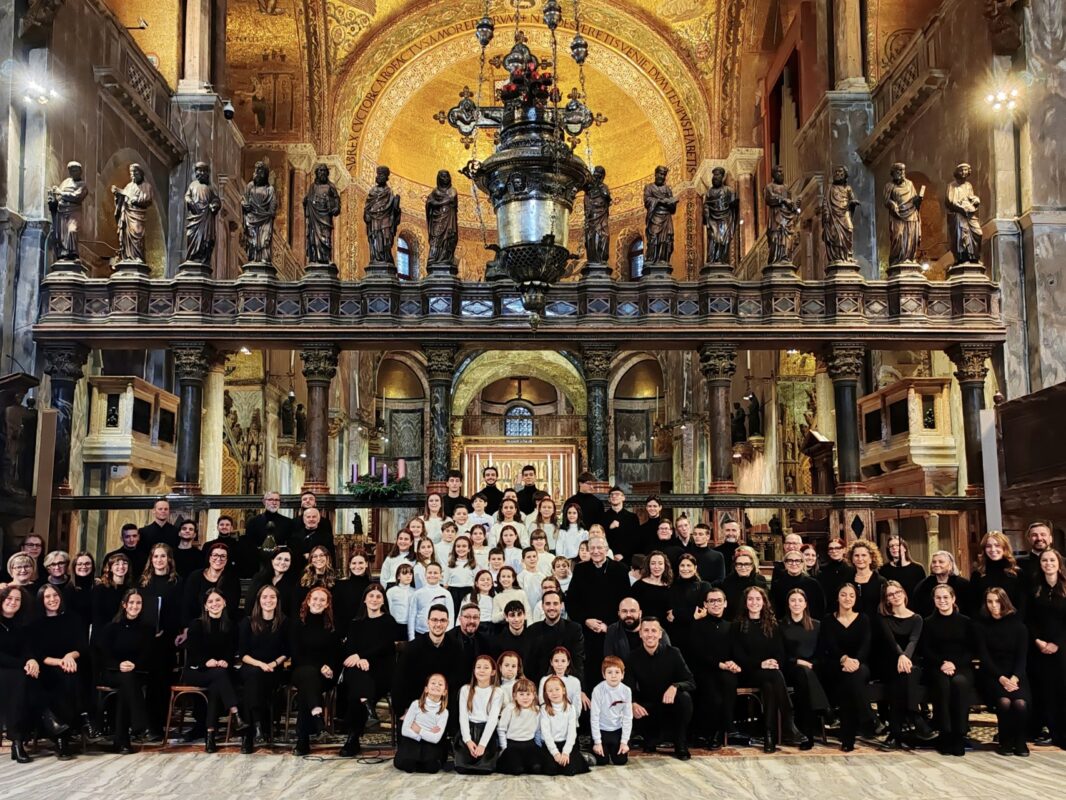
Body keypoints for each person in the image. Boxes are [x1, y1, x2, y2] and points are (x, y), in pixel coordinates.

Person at [181, 588, 248, 752]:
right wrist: (206, 662)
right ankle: (235, 712)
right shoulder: (197, 625)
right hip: (197, 670)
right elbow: (193, 651)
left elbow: (231, 651)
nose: (214, 604)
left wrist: (225, 661)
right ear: (205, 606)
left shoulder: (231, 626)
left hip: (219, 671)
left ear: (224, 603)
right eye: (210, 601)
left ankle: (210, 735)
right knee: (220, 676)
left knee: (216, 685)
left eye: (218, 600)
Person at [819, 583, 878, 751]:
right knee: (849, 680)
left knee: (852, 679)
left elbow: (866, 645)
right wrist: (844, 659)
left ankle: (848, 738)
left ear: (856, 598)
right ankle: (868, 718)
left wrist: (856, 661)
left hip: (860, 665)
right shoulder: (828, 620)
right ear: (837, 597)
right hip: (835, 664)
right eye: (843, 595)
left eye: (851, 595)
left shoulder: (863, 619)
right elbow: (830, 645)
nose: (847, 598)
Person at [31, 584, 89, 759]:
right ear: (41, 601)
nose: (52, 599)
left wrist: (69, 656)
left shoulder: (73, 618)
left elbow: (82, 646)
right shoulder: (36, 624)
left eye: (55, 595)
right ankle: (69, 731)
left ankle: (62, 736)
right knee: (61, 679)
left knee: (70, 676)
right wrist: (60, 661)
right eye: (47, 597)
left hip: (71, 664)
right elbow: (38, 654)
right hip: (47, 668)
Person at [624, 617, 695, 759]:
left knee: (684, 698)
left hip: (669, 704)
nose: (650, 634)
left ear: (660, 634)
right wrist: (632, 703)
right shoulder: (633, 657)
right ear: (640, 634)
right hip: (648, 707)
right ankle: (651, 738)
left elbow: (691, 682)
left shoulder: (673, 653)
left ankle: (680, 743)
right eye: (646, 630)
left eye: (654, 630)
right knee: (629, 706)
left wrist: (675, 686)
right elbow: (627, 687)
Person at [339, 583, 397, 757]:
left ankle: (353, 738)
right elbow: (350, 648)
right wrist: (358, 659)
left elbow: (385, 647)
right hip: (358, 670)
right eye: (371, 596)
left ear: (383, 601)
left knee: (356, 691)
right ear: (364, 599)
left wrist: (363, 657)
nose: (374, 599)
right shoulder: (355, 623)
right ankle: (366, 703)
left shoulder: (388, 621)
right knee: (356, 679)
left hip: (381, 669)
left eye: (378, 597)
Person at [567, 535, 631, 688]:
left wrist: (609, 626)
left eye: (599, 548)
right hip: (587, 631)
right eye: (592, 548)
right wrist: (586, 620)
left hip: (613, 629)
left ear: (607, 549)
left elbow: (625, 602)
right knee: (590, 673)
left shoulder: (620, 569)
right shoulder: (580, 569)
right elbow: (571, 602)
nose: (596, 551)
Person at [876, 580, 933, 747]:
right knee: (900, 676)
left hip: (910, 662)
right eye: (890, 594)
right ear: (886, 599)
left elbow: (913, 641)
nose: (895, 596)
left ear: (903, 593)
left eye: (898, 592)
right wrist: (900, 656)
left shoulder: (917, 618)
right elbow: (891, 641)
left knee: (905, 676)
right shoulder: (883, 617)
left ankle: (895, 734)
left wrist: (905, 657)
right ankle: (915, 717)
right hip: (889, 661)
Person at [975, 587, 1031, 756]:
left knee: (1020, 703)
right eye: (990, 601)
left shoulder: (1019, 627)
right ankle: (1005, 741)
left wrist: (1014, 678)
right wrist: (1001, 678)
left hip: (1016, 674)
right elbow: (984, 658)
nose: (994, 605)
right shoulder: (980, 627)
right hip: (992, 674)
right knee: (1004, 702)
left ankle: (1020, 741)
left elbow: (1022, 658)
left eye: (997, 601)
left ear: (1005, 602)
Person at [97, 588, 153, 753]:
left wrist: (134, 665)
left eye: (138, 603)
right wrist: (118, 665)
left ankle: (121, 741)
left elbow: (148, 654)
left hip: (136, 672)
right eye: (132, 602)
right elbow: (103, 655)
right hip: (113, 672)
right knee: (128, 680)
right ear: (124, 605)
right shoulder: (111, 628)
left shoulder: (147, 629)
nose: (135, 606)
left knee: (126, 687)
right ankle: (139, 724)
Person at [922, 583, 975, 756]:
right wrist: (942, 664)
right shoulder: (928, 622)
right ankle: (945, 734)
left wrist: (954, 664)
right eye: (938, 597)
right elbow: (926, 650)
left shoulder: (966, 622)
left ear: (953, 599)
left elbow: (971, 649)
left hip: (961, 666)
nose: (942, 600)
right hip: (937, 666)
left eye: (946, 597)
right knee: (943, 684)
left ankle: (959, 734)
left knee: (959, 683)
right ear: (934, 600)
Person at [237, 584, 289, 752]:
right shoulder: (247, 622)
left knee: (252, 686)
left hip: (273, 669)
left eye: (272, 597)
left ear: (277, 600)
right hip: (251, 666)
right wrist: (260, 664)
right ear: (259, 600)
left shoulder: (284, 622)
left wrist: (272, 664)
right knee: (254, 677)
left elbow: (287, 652)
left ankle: (249, 734)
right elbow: (243, 654)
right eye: (265, 597)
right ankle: (258, 727)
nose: (268, 600)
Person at [289, 586, 340, 755]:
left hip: (324, 675)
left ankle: (304, 737)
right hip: (300, 670)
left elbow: (336, 653)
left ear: (327, 604)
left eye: (322, 600)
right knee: (308, 675)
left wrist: (330, 668)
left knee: (308, 687)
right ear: (308, 601)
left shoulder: (331, 625)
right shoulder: (297, 623)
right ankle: (317, 720)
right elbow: (297, 655)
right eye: (315, 599)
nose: (318, 602)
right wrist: (320, 667)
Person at [138, 544, 182, 736]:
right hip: (146, 638)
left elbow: (180, 610)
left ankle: (159, 724)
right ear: (151, 559)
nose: (159, 560)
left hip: (167, 638)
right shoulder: (142, 582)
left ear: (169, 559)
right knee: (148, 681)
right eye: (155, 556)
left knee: (162, 681)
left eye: (163, 556)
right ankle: (145, 723)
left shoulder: (177, 582)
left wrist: (168, 630)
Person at [1026, 547, 1066, 747]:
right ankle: (1047, 730)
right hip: (1039, 648)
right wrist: (1038, 640)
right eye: (1044, 561)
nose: (1048, 564)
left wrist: (1057, 643)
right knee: (1044, 690)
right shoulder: (1035, 588)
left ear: (1059, 564)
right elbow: (1029, 618)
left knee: (1062, 689)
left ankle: (1062, 732)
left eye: (1052, 560)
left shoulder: (1065, 588)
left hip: (1062, 647)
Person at [393, 606, 464, 714]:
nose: (438, 624)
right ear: (428, 622)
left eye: (443, 620)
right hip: (416, 704)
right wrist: (403, 710)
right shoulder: (413, 647)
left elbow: (458, 679)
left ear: (448, 623)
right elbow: (399, 680)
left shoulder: (456, 647)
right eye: (434, 620)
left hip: (445, 706)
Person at [780, 588, 827, 749]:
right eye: (793, 600)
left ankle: (806, 734)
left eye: (800, 600)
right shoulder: (780, 626)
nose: (796, 604)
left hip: (813, 669)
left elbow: (822, 652)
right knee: (803, 674)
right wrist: (798, 661)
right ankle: (824, 711)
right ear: (788, 604)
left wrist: (812, 664)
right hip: (790, 669)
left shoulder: (817, 625)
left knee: (807, 676)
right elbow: (780, 655)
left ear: (806, 604)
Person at [0, 585, 42, 763]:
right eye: (9, 598)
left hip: (17, 671)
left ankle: (17, 740)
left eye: (17, 599)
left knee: (30, 680)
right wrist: (24, 664)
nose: (13, 602)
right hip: (4, 669)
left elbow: (27, 649)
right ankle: (19, 739)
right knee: (20, 680)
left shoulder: (22, 623)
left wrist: (32, 660)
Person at [453, 654, 502, 774]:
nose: (481, 670)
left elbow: (493, 720)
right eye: (478, 667)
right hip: (468, 731)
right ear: (474, 670)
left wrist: (482, 745)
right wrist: (468, 740)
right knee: (462, 768)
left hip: (486, 732)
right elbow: (463, 717)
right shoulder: (465, 689)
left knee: (485, 769)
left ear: (493, 672)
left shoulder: (497, 692)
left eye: (486, 667)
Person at [528, 590, 585, 683]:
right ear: (542, 606)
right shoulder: (532, 630)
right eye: (548, 604)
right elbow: (530, 664)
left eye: (555, 604)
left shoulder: (574, 629)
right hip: (540, 684)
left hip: (567, 683)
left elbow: (578, 662)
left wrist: (579, 687)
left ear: (561, 605)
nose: (551, 607)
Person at [181, 542, 241, 627]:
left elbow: (232, 607)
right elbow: (187, 605)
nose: (219, 559)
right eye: (215, 555)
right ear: (209, 558)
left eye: (223, 556)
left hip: (223, 625)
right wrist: (186, 627)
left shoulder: (232, 579)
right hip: (197, 624)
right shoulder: (195, 577)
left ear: (227, 560)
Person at [539, 675, 589, 775]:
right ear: (546, 694)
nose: (554, 693)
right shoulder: (544, 709)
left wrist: (565, 752)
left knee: (569, 770)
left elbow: (572, 733)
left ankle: (583, 758)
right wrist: (555, 753)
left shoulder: (571, 708)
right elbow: (546, 734)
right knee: (551, 770)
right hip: (550, 745)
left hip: (566, 743)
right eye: (550, 691)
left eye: (557, 689)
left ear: (564, 690)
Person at [971, 530, 1025, 616]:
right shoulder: (977, 574)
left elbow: (1023, 604)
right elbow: (973, 605)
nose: (993, 549)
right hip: (985, 622)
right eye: (988, 546)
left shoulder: (1017, 573)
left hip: (1012, 621)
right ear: (984, 549)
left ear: (1005, 548)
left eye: (997, 545)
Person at [497, 677, 544, 774]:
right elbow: (501, 729)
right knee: (517, 770)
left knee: (536, 768)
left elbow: (538, 730)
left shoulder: (537, 710)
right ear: (515, 696)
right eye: (521, 694)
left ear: (534, 695)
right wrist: (504, 748)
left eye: (528, 694)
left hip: (530, 744)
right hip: (512, 745)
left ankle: (526, 762)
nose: (525, 697)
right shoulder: (510, 709)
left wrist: (538, 746)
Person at [912, 550, 970, 618]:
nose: (936, 565)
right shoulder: (923, 585)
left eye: (941, 562)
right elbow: (916, 607)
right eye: (934, 562)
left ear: (950, 565)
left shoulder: (963, 585)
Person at [770, 550, 825, 621]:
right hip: (785, 624)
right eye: (790, 561)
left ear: (802, 563)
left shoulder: (813, 584)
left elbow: (820, 607)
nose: (794, 563)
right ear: (785, 563)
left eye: (797, 561)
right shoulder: (777, 584)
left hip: (809, 623)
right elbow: (775, 607)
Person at [244, 547, 297, 620]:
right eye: (279, 558)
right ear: (272, 560)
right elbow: (249, 603)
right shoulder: (259, 578)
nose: (282, 562)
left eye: (286, 560)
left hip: (284, 622)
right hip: (258, 620)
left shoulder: (295, 582)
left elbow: (294, 609)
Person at [408, 563, 455, 640]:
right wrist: (411, 637)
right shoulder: (417, 594)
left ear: (441, 575)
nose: (432, 575)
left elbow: (451, 616)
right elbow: (412, 616)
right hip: (420, 633)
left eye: (435, 573)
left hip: (440, 634)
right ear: (425, 574)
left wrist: (447, 636)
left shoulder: (446, 594)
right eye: (430, 573)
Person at [717, 546, 768, 611]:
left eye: (747, 564)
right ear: (735, 566)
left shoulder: (760, 581)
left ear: (752, 566)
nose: (743, 567)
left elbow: (766, 604)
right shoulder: (727, 581)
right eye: (739, 564)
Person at [537, 646, 587, 712]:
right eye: (556, 661)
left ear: (568, 662)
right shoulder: (544, 680)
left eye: (563, 661)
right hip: (549, 715)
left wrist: (569, 716)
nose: (559, 664)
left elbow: (577, 706)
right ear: (551, 662)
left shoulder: (575, 681)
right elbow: (542, 702)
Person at [93, 552, 133, 634]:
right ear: (110, 568)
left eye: (124, 563)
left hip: (123, 633)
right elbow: (97, 617)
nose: (121, 566)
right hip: (103, 633)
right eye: (117, 564)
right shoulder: (100, 589)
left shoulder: (130, 590)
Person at [847, 539, 887, 617]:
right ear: (852, 559)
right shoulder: (847, 581)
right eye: (856, 555)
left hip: (875, 623)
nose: (860, 559)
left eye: (864, 555)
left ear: (871, 559)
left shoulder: (881, 581)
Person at [289, 507, 335, 574]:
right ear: (304, 519)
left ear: (318, 519)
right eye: (308, 517)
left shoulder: (327, 537)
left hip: (320, 572)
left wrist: (310, 555)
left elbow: (331, 557)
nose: (311, 519)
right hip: (299, 572)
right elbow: (292, 557)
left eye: (314, 517)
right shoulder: (294, 537)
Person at [601, 487, 639, 564]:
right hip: (607, 557)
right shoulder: (602, 517)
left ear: (623, 498)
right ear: (609, 499)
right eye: (612, 495)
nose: (614, 496)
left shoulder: (632, 517)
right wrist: (609, 528)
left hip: (627, 559)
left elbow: (635, 540)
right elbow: (600, 538)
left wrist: (623, 555)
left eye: (617, 494)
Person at [333, 551, 371, 624]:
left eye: (360, 563)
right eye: (354, 563)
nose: (357, 566)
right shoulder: (340, 586)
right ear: (349, 565)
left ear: (366, 564)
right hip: (345, 628)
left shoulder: (372, 587)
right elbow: (336, 612)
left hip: (367, 627)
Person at [495, 601, 536, 667]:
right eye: (512, 615)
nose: (516, 619)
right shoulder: (499, 641)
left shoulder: (533, 638)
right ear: (506, 617)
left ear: (524, 615)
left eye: (519, 614)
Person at [817, 537, 854, 605]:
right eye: (831, 548)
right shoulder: (822, 570)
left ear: (844, 550)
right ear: (828, 552)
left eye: (837, 548)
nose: (834, 551)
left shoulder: (852, 570)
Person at [1018, 520, 1055, 587]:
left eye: (1043, 534)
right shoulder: (1018, 564)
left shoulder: (1063, 562)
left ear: (1050, 539)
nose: (1039, 538)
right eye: (1034, 535)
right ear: (1029, 539)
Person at [446, 536, 478, 609]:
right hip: (453, 593)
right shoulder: (450, 565)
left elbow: (476, 583)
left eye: (464, 546)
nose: (461, 548)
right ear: (454, 548)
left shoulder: (473, 565)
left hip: (468, 592)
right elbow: (445, 584)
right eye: (458, 546)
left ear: (469, 549)